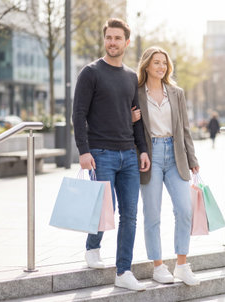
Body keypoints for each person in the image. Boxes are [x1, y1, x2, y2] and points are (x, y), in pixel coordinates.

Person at [72, 18, 150, 292]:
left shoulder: (131, 77)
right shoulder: (90, 72)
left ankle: (124, 271)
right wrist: (83, 151)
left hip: (128, 154)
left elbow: (136, 118)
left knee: (130, 214)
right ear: (104, 39)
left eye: (118, 38)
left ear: (127, 42)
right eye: (109, 38)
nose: (113, 42)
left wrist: (142, 150)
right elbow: (78, 114)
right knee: (105, 209)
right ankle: (92, 247)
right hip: (101, 152)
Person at [132, 46, 201, 286]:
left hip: (176, 155)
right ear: (147, 66)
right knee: (152, 214)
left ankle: (182, 265)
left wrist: (192, 159)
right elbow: (130, 126)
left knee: (184, 210)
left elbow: (185, 129)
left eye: (164, 63)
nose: (161, 67)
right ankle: (158, 266)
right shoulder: (136, 92)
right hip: (150, 157)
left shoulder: (176, 92)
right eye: (156, 62)